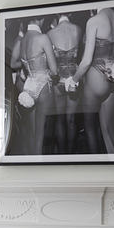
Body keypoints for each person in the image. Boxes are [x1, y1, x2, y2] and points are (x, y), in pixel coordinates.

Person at [64, 8, 114, 154]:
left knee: (90, 127)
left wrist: (73, 80)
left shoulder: (94, 21)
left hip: (96, 78)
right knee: (109, 130)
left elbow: (87, 61)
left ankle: (97, 167)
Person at [10, 17, 58, 155]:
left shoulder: (22, 40)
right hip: (43, 85)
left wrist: (30, 66)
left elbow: (15, 64)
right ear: (41, 20)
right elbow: (55, 71)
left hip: (28, 85)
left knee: (32, 132)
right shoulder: (43, 38)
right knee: (41, 135)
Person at [46, 14, 81, 153]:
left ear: (56, 15)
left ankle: (62, 154)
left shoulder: (49, 33)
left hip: (58, 81)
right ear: (71, 14)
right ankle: (71, 154)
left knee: (60, 119)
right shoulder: (78, 29)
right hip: (74, 79)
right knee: (71, 120)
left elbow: (49, 61)